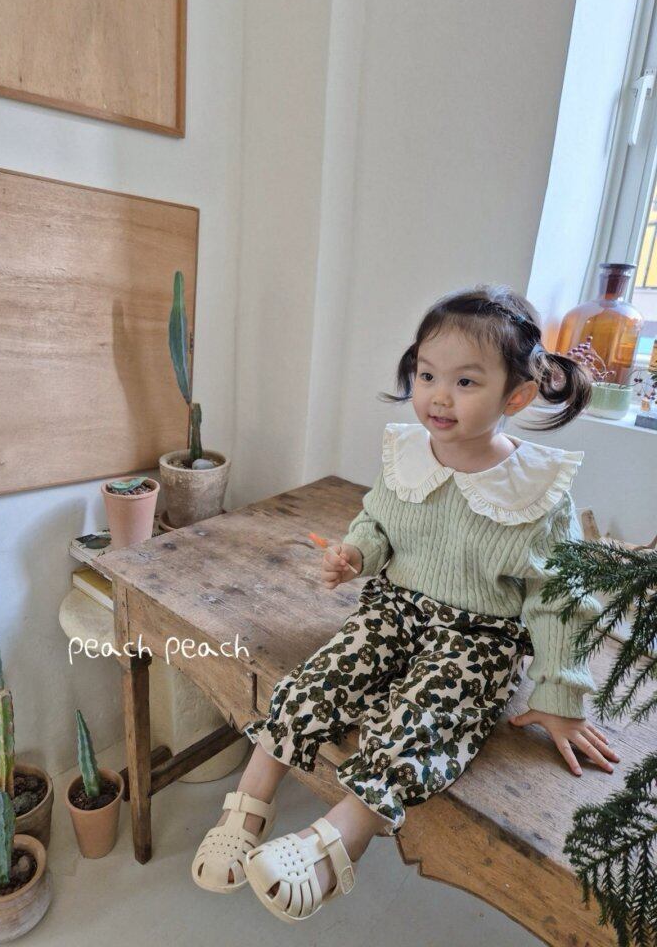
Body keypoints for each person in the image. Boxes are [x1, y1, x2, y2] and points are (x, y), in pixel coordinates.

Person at [190, 284, 621, 923]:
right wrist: (357, 554)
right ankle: (251, 800)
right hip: (393, 612)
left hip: (480, 638)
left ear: (517, 396)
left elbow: (558, 600)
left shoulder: (537, 492)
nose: (438, 396)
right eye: (426, 375)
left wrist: (560, 698)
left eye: (466, 382)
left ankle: (344, 837)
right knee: (319, 678)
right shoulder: (406, 454)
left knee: (422, 719)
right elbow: (379, 521)